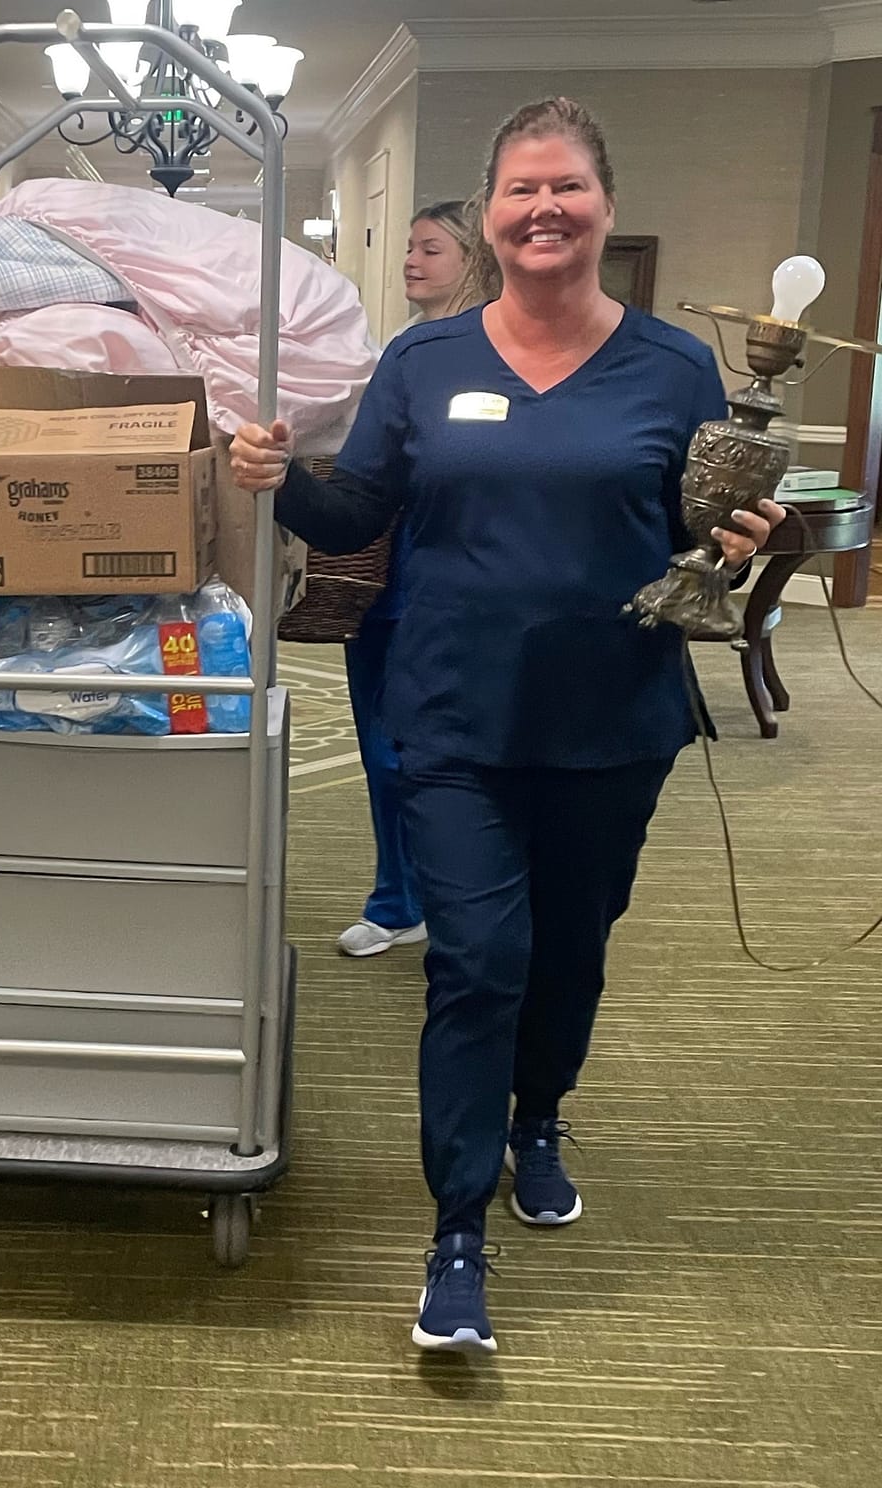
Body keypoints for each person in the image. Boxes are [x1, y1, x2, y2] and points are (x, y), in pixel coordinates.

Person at [232, 100, 782, 1353]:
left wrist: (738, 545)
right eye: (522, 188)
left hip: (613, 716)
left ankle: (541, 1115)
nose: (544, 209)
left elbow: (700, 534)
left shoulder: (674, 367)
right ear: (490, 212)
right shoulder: (424, 365)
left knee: (571, 953)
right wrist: (278, 481)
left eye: (568, 187)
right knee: (477, 962)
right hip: (452, 714)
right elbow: (353, 508)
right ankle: (456, 1232)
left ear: (601, 204)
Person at [339, 199, 488, 958]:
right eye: (408, 248)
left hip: (457, 583)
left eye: (430, 248)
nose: (410, 260)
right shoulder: (400, 348)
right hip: (377, 575)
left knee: (445, 755)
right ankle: (400, 899)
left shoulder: (489, 350)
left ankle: (453, 901)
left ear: (472, 256)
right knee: (381, 746)